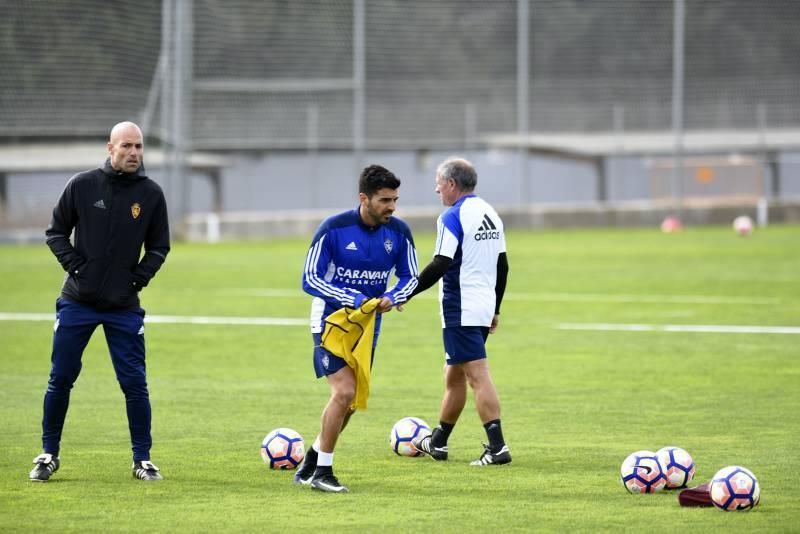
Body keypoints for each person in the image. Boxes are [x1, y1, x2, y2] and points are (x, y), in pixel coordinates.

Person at [29, 121, 170, 482]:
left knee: (134, 383)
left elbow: (159, 247)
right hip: (78, 302)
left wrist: (137, 280)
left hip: (123, 306)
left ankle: (143, 459)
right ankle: (48, 454)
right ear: (111, 148)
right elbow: (55, 232)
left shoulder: (151, 194)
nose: (134, 153)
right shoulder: (82, 185)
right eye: (127, 146)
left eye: (139, 147)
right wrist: (77, 269)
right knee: (60, 377)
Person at [296, 164, 419, 493]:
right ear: (364, 198)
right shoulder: (334, 228)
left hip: (368, 326)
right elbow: (310, 278)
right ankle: (323, 473)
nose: (391, 207)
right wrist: (348, 296)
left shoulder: (400, 233)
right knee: (344, 392)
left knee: (350, 401)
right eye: (384, 200)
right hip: (330, 321)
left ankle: (312, 459)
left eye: (394, 199)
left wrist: (394, 296)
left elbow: (411, 277)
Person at [409, 157, 511, 466]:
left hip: (460, 307)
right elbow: (502, 265)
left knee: (477, 375)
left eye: (439, 183)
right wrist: (495, 308)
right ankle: (438, 442)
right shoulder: (490, 213)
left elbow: (442, 262)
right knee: (453, 374)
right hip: (481, 306)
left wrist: (407, 291)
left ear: (451, 184)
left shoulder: (451, 217)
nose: (436, 189)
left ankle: (498, 448)